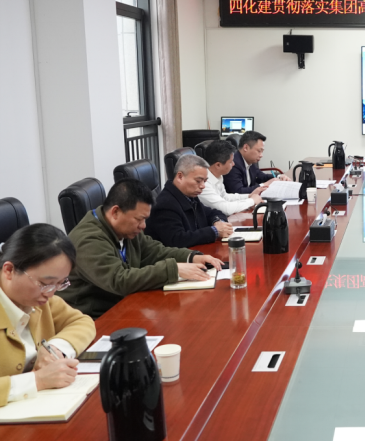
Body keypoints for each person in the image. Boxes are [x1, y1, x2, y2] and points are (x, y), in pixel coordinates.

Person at [58, 179, 224, 319]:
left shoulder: (124, 229)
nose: (143, 226)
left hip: (124, 305)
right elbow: (119, 280)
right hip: (95, 318)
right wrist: (174, 269)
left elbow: (154, 251)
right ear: (115, 212)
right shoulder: (89, 239)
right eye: (139, 219)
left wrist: (192, 257)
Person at [0, 224, 95, 406]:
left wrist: (54, 348)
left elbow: (82, 321)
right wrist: (37, 380)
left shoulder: (40, 300)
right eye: (45, 283)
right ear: (9, 270)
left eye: (60, 283)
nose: (51, 294)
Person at [145, 155, 234, 247]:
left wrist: (218, 221)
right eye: (198, 181)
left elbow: (212, 212)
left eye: (204, 181)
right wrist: (214, 231)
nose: (203, 186)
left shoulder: (189, 195)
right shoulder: (165, 204)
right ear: (180, 177)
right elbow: (177, 240)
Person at [199, 140, 264, 216]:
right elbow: (226, 209)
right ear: (218, 165)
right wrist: (252, 201)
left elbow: (225, 197)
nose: (233, 164)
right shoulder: (203, 184)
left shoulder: (217, 175)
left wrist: (248, 196)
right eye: (230, 162)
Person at [224, 131, 289, 194]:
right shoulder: (233, 163)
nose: (261, 155)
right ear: (246, 148)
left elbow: (262, 176)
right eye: (259, 151)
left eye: (262, 151)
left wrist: (279, 176)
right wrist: (264, 185)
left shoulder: (250, 161)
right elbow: (239, 191)